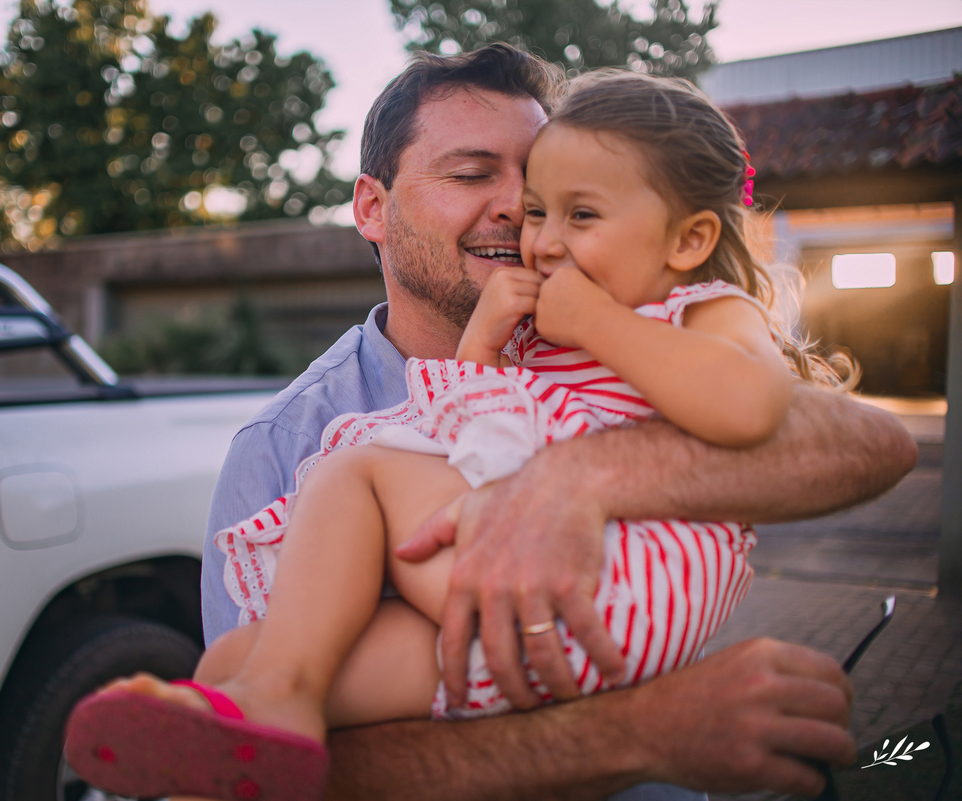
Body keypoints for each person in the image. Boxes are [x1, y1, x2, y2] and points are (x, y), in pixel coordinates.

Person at [87, 46, 914, 800]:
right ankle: (257, 705)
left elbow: (873, 442)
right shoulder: (282, 447)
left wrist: (581, 474)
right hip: (519, 683)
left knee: (354, 493)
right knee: (237, 664)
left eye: (546, 183)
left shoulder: (640, 327)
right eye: (473, 172)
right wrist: (641, 730)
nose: (520, 207)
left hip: (614, 672)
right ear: (372, 209)